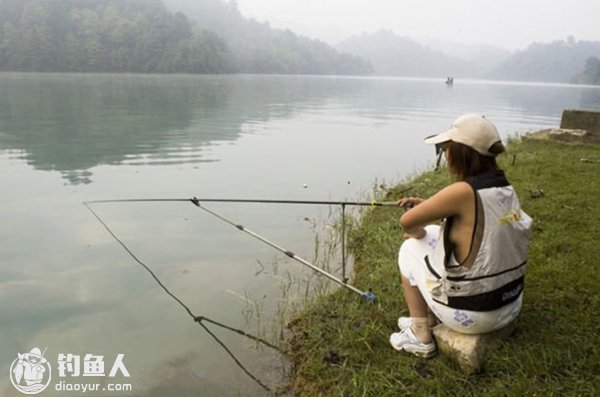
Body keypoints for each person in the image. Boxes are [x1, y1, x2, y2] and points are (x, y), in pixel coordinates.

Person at [390, 113, 533, 358]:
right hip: (509, 304)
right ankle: (429, 317)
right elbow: (476, 221)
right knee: (435, 233)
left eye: (446, 147)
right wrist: (431, 208)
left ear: (460, 152)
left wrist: (417, 228)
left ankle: (420, 333)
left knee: (409, 249)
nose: (445, 153)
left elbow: (407, 222)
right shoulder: (504, 187)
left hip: (473, 315)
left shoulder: (462, 191)